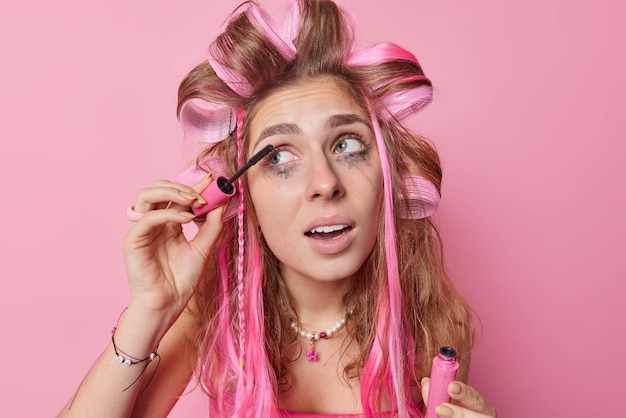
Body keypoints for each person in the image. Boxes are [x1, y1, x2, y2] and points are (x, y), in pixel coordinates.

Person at [59, 1, 497, 417]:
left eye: (347, 145)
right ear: (241, 191)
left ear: (386, 174)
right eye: (278, 157)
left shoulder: (434, 323)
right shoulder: (212, 317)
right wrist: (150, 310)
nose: (325, 183)